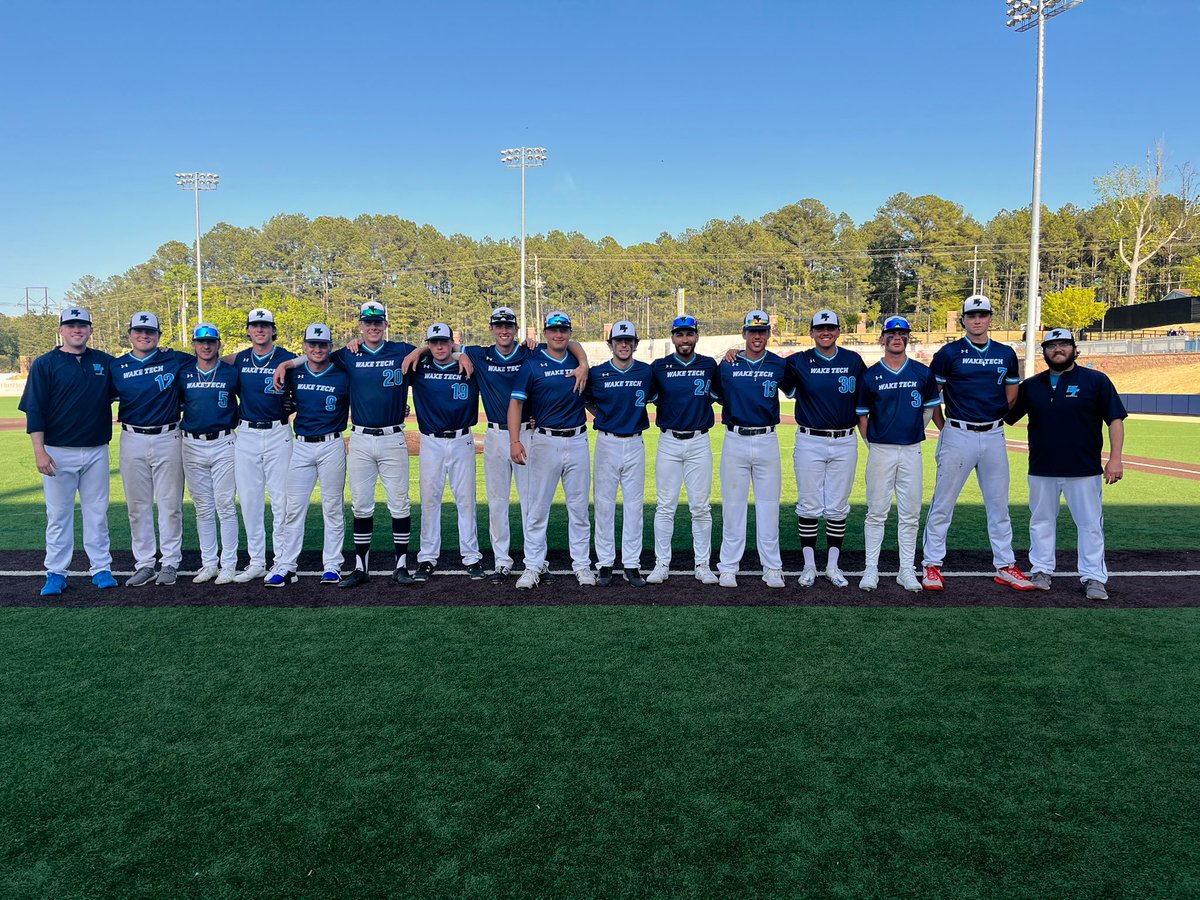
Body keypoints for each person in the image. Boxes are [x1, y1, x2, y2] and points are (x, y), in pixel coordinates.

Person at [405, 306, 588, 583]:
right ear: (491, 329)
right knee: (498, 501)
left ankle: (537, 561)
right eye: (499, 326)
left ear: (516, 329)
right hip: (495, 434)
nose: (504, 331)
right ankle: (502, 561)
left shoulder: (529, 351)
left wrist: (583, 363)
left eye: (508, 326)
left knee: (531, 502)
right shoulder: (479, 354)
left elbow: (569, 343)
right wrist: (419, 351)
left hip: (527, 433)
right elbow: (444, 348)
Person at [921, 295, 1036, 592]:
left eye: (982, 315)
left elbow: (1012, 393)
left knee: (999, 504)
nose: (977, 320)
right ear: (963, 320)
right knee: (943, 502)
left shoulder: (1005, 353)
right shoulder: (949, 353)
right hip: (958, 432)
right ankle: (932, 564)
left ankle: (1005, 565)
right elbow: (933, 396)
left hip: (994, 434)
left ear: (990, 318)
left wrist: (994, 417)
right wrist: (945, 427)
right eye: (971, 315)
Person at [1006, 328, 1126, 601]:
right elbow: (1008, 415)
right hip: (1042, 468)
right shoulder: (1032, 385)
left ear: (1074, 348)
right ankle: (1041, 570)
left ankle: (1094, 576)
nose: (1057, 349)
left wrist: (1115, 458)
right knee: (1041, 522)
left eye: (1063, 344)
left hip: (1083, 469)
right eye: (1051, 345)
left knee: (1089, 524)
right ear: (1044, 352)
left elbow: (1115, 420)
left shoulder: (1095, 380)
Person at [308, 302, 417, 588]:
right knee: (361, 504)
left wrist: (419, 352)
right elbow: (315, 358)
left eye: (378, 322)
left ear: (386, 324)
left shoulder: (401, 349)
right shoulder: (348, 354)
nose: (373, 327)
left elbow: (433, 349)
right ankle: (360, 567)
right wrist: (285, 364)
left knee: (399, 503)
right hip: (360, 438)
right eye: (368, 323)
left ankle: (401, 566)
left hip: (393, 436)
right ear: (360, 326)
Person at [19, 307, 118, 596]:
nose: (77, 330)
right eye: (71, 325)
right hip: (58, 451)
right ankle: (56, 572)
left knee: (97, 513)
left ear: (90, 329)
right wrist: (39, 451)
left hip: (96, 449)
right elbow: (35, 410)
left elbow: (130, 381)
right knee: (59, 515)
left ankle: (101, 568)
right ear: (61, 329)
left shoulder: (104, 362)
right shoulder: (45, 364)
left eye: (82, 325)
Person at [855, 317, 943, 592]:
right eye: (891, 334)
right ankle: (871, 569)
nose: (897, 338)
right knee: (876, 512)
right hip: (881, 450)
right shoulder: (870, 375)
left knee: (910, 513)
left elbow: (929, 409)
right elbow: (862, 417)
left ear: (907, 338)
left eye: (902, 334)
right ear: (882, 338)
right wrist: (873, 444)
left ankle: (906, 570)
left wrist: (913, 431)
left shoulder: (922, 373)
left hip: (911, 450)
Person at [509, 311, 594, 588]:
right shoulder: (532, 364)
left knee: (579, 509)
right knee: (537, 508)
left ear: (569, 332)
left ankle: (582, 565)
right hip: (545, 440)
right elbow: (516, 403)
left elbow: (577, 350)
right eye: (554, 330)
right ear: (545, 333)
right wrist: (514, 440)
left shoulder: (577, 360)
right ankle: (533, 566)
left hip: (578, 439)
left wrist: (584, 363)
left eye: (564, 330)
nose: (559, 334)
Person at [785, 309, 869, 588]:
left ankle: (833, 566)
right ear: (811, 332)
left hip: (845, 439)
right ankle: (809, 565)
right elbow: (767, 365)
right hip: (810, 440)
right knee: (809, 505)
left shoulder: (853, 360)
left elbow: (866, 399)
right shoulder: (798, 361)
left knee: (837, 506)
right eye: (820, 328)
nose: (825, 332)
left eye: (831, 328)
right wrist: (735, 352)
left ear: (838, 331)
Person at [711, 310, 791, 589]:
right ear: (744, 333)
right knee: (733, 507)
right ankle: (728, 567)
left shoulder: (779, 364)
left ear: (769, 334)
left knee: (769, 506)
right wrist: (729, 354)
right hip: (735, 438)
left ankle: (772, 567)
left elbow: (795, 390)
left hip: (767, 439)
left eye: (762, 331)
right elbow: (718, 396)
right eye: (752, 331)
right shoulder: (727, 364)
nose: (757, 336)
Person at [111, 311, 192, 586]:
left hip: (168, 436)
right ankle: (145, 563)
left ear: (159, 336)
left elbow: (213, 360)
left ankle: (170, 562)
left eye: (150, 332)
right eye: (139, 331)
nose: (144, 335)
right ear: (130, 335)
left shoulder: (175, 358)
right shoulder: (117, 366)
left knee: (170, 504)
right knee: (137, 506)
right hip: (132, 437)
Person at [266, 324, 350, 587]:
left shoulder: (342, 374)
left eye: (322, 344)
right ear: (304, 346)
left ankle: (332, 565)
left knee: (332, 507)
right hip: (301, 445)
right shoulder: (295, 373)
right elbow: (284, 400)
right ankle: (287, 565)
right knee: (293, 508)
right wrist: (286, 365)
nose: (317, 349)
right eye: (312, 344)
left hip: (331, 443)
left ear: (330, 346)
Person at [408, 322, 486, 581]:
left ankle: (471, 556)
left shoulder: (469, 363)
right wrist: (419, 351)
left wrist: (461, 353)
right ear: (428, 345)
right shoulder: (420, 366)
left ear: (452, 342)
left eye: (444, 341)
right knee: (430, 500)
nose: (439, 346)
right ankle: (427, 558)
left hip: (462, 439)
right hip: (431, 441)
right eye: (434, 342)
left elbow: (482, 354)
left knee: (466, 499)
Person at [647, 314, 719, 585]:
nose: (685, 339)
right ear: (673, 337)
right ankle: (661, 564)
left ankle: (702, 564)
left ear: (697, 336)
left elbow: (722, 393)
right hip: (669, 441)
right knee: (665, 506)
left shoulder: (709, 365)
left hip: (699, 441)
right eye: (680, 334)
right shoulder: (659, 367)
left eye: (689, 334)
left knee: (700, 507)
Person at [584, 319, 654, 587]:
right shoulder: (597, 373)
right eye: (618, 341)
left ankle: (632, 564)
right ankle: (604, 563)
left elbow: (656, 394)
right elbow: (586, 398)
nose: (623, 345)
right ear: (610, 344)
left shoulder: (647, 371)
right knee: (604, 505)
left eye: (628, 341)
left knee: (634, 506)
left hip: (635, 442)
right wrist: (601, 415)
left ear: (635, 344)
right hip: (607, 442)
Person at [229, 308, 297, 583]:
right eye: (255, 325)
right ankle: (256, 561)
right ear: (248, 330)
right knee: (250, 501)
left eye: (265, 326)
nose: (260, 330)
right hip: (246, 434)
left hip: (278, 433)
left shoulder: (286, 357)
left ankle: (282, 561)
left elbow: (316, 359)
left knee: (282, 501)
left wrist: (289, 365)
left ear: (273, 330)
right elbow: (209, 360)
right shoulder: (239, 359)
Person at [179, 323, 240, 584]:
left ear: (218, 344)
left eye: (211, 341)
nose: (206, 346)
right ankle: (209, 564)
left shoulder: (231, 372)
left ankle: (229, 564)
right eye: (201, 341)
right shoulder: (183, 372)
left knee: (225, 505)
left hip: (224, 441)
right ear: (194, 344)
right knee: (203, 507)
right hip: (191, 443)